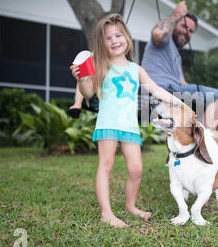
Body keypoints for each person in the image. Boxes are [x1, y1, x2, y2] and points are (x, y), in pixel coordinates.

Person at [70, 13, 183, 228]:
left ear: (127, 38)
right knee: (106, 165)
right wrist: (82, 79)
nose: (114, 41)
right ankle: (106, 213)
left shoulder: (136, 69)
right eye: (108, 38)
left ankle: (130, 206)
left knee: (136, 168)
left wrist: (178, 102)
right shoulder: (101, 67)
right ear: (102, 43)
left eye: (118, 35)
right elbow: (86, 93)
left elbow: (156, 89)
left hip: (130, 126)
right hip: (108, 123)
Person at [69, 1, 218, 131]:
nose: (187, 32)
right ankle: (207, 141)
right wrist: (177, 14)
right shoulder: (163, 41)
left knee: (205, 103)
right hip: (157, 90)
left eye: (191, 31)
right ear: (173, 25)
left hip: (174, 91)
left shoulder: (176, 55)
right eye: (184, 26)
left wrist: (189, 105)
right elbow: (158, 33)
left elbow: (183, 84)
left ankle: (198, 140)